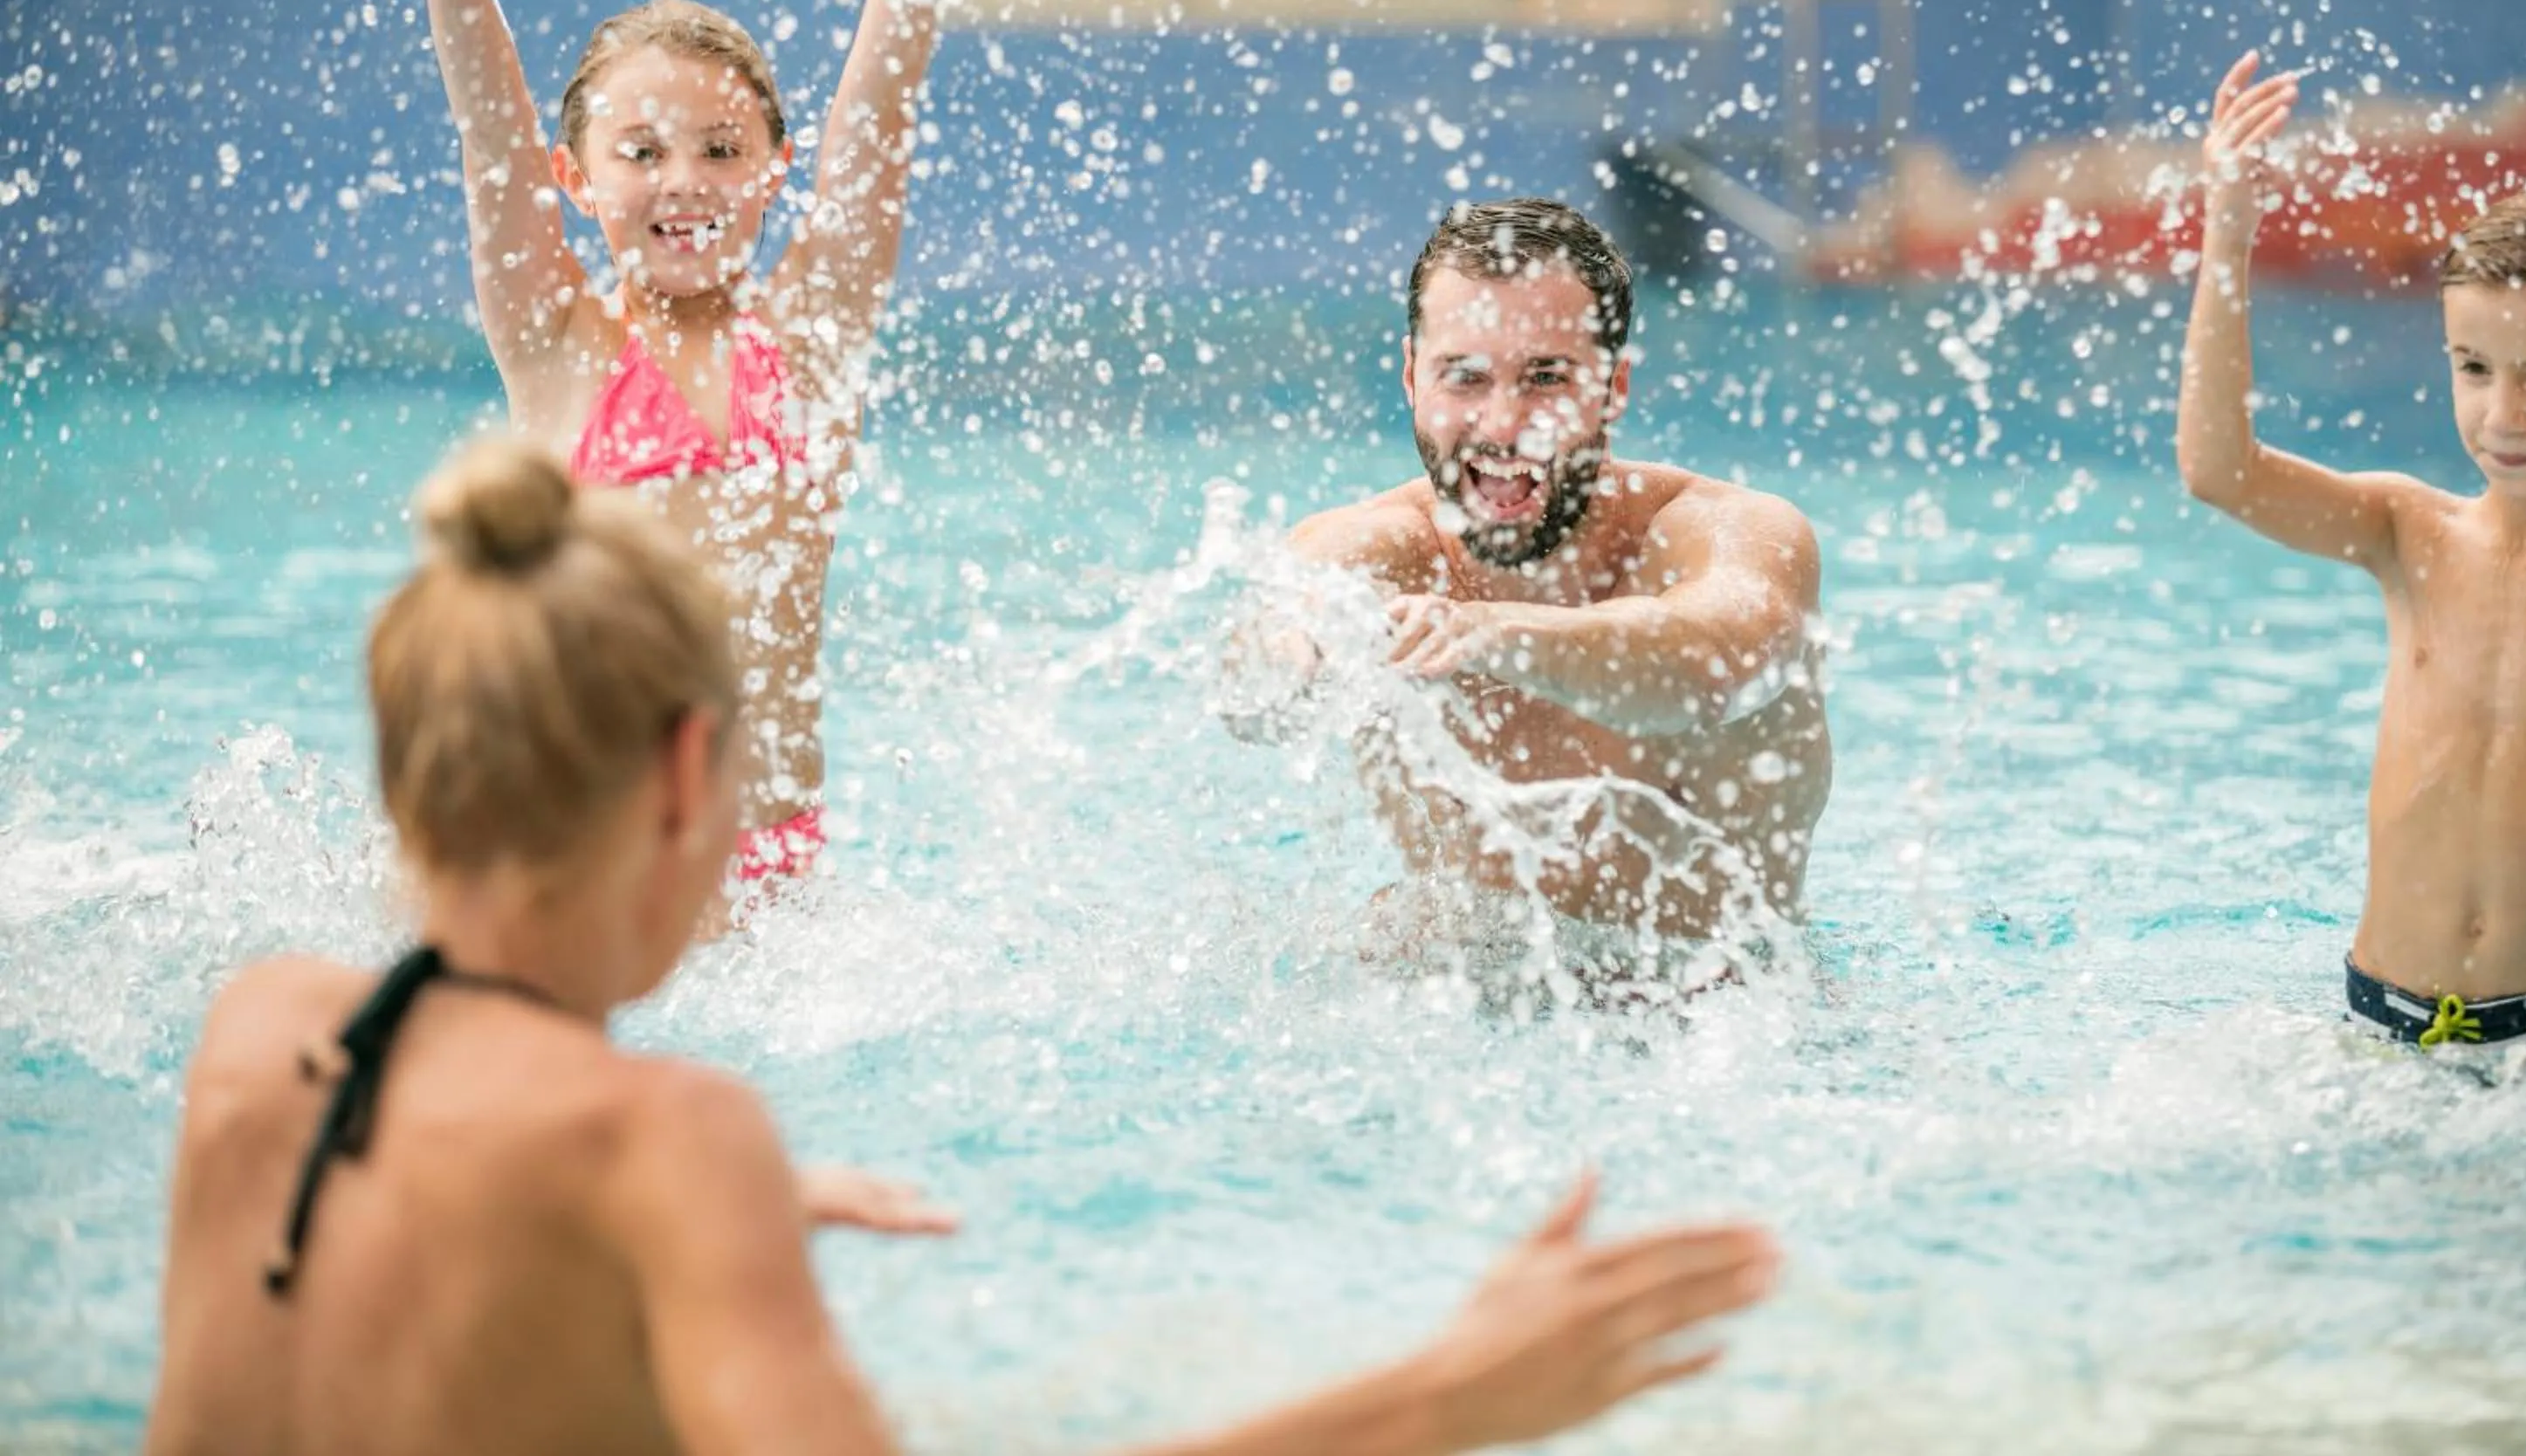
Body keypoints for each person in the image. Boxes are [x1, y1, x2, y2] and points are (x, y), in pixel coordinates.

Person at [141, 439, 1782, 1456]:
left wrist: (590, 1218)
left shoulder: (262, 1033)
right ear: (692, 777)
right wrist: (1455, 1394)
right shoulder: (664, 1141)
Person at [409, 0, 1013, 891]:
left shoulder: (813, 330)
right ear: (575, 179)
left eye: (722, 151)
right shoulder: (560, 346)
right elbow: (488, 135)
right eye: (639, 153)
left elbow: (880, 106)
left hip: (772, 864)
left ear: (776, 172)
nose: (683, 180)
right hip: (588, 850)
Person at [2178, 52, 2526, 1048]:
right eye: (2474, 367)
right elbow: (2218, 468)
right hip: (2380, 1024)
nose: (2502, 412)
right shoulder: (2408, 531)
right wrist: (2227, 236)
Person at [1262, 197, 1831, 947]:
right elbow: (1256, 679)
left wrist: (1494, 632)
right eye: (1463, 378)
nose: (1502, 426)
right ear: (1410, 377)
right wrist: (1289, 659)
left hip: (1719, 1021)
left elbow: (1720, 660)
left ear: (1613, 387)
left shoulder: (1730, 532)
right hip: (1465, 1019)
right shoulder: (1374, 550)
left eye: (1546, 377)